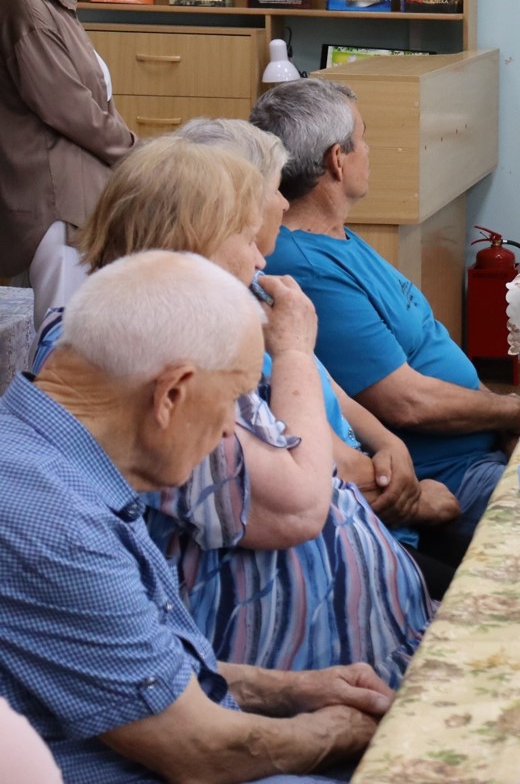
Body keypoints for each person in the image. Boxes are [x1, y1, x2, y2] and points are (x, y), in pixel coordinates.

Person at [36, 135, 434, 687]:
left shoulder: (189, 317)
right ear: (193, 241)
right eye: (246, 237)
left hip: (361, 650)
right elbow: (298, 506)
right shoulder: (140, 350)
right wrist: (293, 348)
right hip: (281, 675)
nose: (260, 256)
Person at [0, 251, 388, 781]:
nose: (231, 430)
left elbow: (129, 668)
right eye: (234, 399)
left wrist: (291, 689)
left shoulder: (44, 452)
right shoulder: (60, 525)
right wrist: (342, 733)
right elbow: (201, 750)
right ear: (172, 394)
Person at [176, 117, 464, 596]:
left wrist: (392, 445)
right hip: (350, 531)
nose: (284, 202)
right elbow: (314, 480)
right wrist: (414, 499)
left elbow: (327, 384)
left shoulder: (256, 286)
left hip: (380, 501)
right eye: (272, 191)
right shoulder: (220, 322)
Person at [252, 79, 520, 550]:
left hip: (478, 446)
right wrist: (515, 411)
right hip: (450, 475)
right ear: (336, 161)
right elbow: (406, 402)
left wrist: (502, 420)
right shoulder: (304, 265)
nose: (370, 150)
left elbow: (432, 347)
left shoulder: (336, 236)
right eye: (363, 138)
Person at [0, 0, 136, 328]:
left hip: (81, 199)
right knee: (65, 354)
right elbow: (71, 110)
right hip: (55, 205)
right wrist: (146, 158)